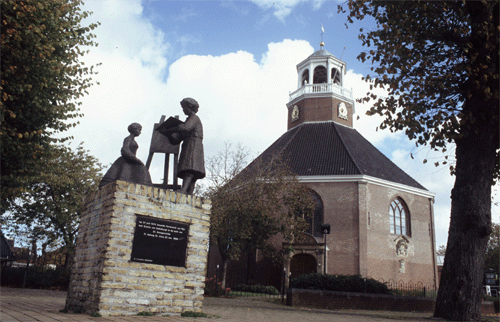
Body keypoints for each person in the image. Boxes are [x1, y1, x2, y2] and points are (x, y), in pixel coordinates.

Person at [164, 98, 205, 195]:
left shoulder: (194, 118)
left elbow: (186, 128)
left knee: (190, 168)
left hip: (193, 145)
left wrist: (172, 129)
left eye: (184, 107)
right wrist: (168, 134)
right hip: (188, 144)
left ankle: (184, 190)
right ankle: (189, 192)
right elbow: (176, 140)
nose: (183, 110)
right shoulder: (188, 120)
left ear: (190, 107)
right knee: (190, 168)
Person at [99, 123, 152, 188]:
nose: (140, 132)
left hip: (132, 160)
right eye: (139, 130)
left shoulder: (132, 140)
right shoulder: (128, 139)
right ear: (134, 130)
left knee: (142, 169)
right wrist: (134, 159)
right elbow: (124, 149)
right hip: (126, 160)